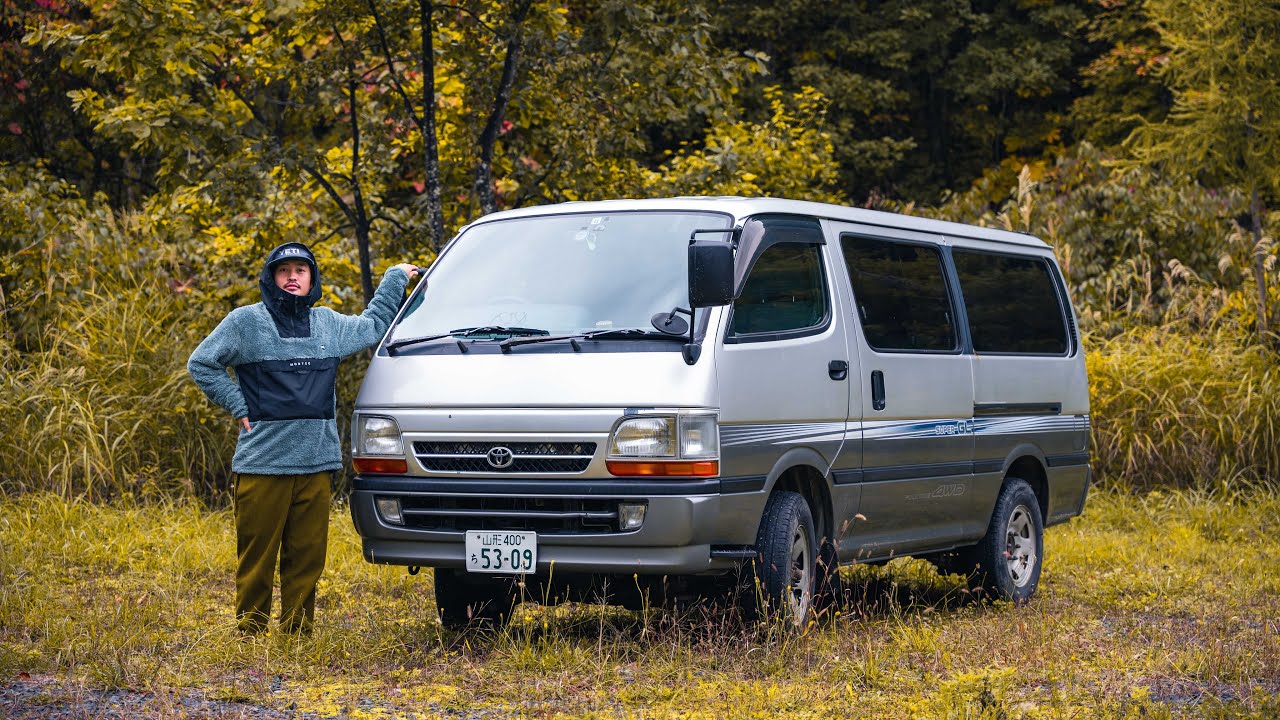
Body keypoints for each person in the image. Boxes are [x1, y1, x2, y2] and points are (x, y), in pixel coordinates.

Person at [188, 241, 417, 634]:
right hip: (263, 466)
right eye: (283, 271)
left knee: (307, 557)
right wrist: (236, 403)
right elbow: (202, 362)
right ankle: (250, 634)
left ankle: (297, 633)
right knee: (257, 559)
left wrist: (395, 277)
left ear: (312, 278)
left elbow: (375, 325)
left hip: (317, 464)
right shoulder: (245, 323)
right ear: (270, 278)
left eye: (300, 270)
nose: (292, 277)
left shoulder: (328, 324)